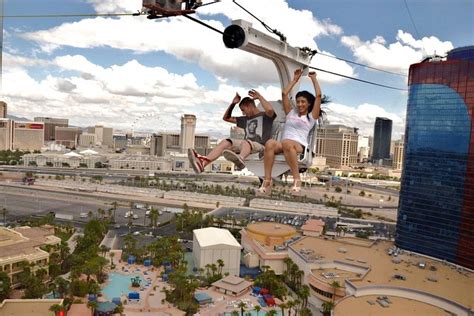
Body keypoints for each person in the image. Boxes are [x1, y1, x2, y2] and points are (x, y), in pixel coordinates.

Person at [259, 69, 324, 194]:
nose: (299, 104)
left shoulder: (311, 117)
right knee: (270, 143)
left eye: (303, 102)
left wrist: (314, 79)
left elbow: (318, 96)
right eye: (298, 101)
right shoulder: (290, 113)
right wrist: (295, 80)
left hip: (298, 146)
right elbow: (284, 94)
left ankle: (296, 179)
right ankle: (267, 179)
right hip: (284, 144)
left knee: (288, 143)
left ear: (309, 104)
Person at [188, 90, 276, 173]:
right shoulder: (244, 119)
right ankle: (203, 163)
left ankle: (240, 159)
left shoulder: (265, 116)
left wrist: (259, 97)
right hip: (245, 146)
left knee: (246, 142)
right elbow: (226, 118)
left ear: (249, 105)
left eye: (243, 110)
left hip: (261, 146)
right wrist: (233, 104)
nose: (243, 113)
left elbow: (270, 110)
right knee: (225, 142)